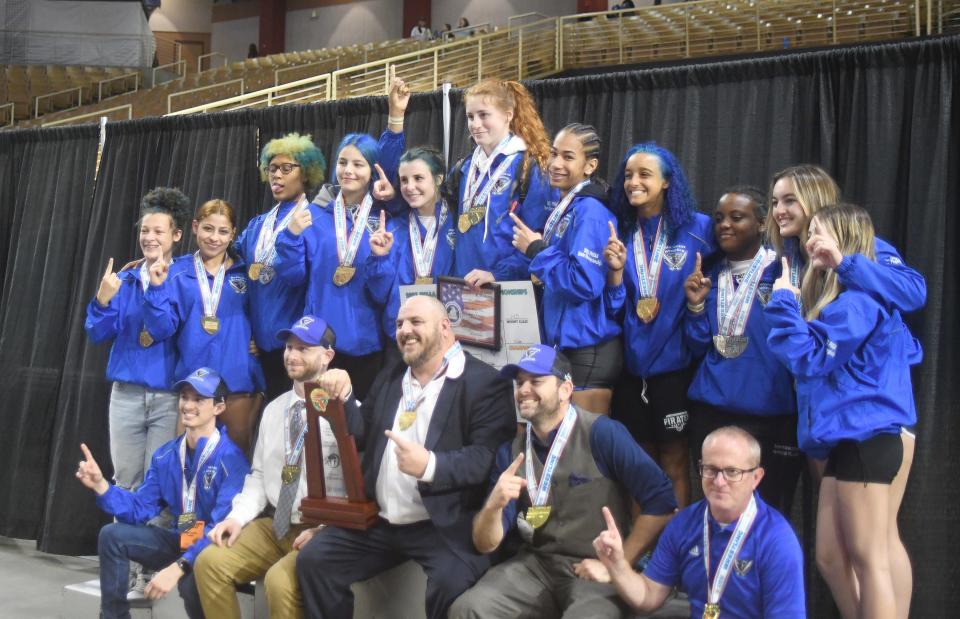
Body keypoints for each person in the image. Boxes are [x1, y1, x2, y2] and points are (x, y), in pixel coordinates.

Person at [767, 164, 925, 618]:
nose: (779, 211)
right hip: (831, 421)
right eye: (775, 201)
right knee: (836, 554)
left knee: (873, 545)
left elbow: (912, 292)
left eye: (790, 200)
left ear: (818, 203)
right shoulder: (793, 262)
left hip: (871, 418)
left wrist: (844, 262)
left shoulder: (863, 253)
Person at [296, 295, 517, 619]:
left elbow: (485, 458)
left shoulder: (484, 382)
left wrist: (429, 465)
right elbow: (361, 433)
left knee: (450, 582)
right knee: (315, 560)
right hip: (380, 521)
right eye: (400, 324)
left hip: (440, 526)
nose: (405, 330)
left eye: (415, 322)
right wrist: (345, 395)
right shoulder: (393, 374)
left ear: (445, 327)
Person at [449, 345, 676, 619]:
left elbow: (661, 501)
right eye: (519, 383)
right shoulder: (510, 452)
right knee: (468, 609)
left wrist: (618, 565)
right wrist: (492, 508)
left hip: (593, 566)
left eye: (536, 381)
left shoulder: (603, 434)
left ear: (565, 390)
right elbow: (486, 544)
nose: (523, 390)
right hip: (535, 565)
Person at [195, 315, 342, 619]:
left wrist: (328, 529)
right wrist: (236, 518)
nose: (292, 355)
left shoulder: (344, 413)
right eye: (289, 347)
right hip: (277, 524)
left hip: (319, 529)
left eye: (304, 348)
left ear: (327, 356)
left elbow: (354, 487)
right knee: (209, 562)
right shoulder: (275, 410)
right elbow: (259, 476)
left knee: (279, 582)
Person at [273, 73, 408, 400]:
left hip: (364, 344)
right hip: (317, 343)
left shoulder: (383, 221)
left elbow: (381, 292)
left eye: (359, 165)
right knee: (315, 431)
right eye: (343, 163)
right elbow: (292, 277)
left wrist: (379, 257)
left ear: (373, 170)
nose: (349, 171)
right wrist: (289, 237)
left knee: (354, 435)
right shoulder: (314, 216)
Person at [75, 367, 249, 619]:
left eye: (199, 399)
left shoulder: (231, 460)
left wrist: (179, 567)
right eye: (184, 397)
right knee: (112, 536)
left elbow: (217, 528)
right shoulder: (167, 455)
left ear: (219, 408)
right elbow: (138, 509)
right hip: (181, 540)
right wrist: (102, 485)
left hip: (213, 549)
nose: (188, 405)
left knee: (193, 582)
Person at [594, 426, 806, 618]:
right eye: (711, 469)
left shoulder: (777, 540)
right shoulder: (685, 524)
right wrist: (617, 565)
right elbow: (649, 596)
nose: (719, 482)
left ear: (756, 477)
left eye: (732, 472)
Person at [603, 142, 714, 508]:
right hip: (630, 372)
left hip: (674, 371)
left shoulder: (698, 229)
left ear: (667, 182)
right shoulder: (619, 230)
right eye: (629, 175)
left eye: (644, 174)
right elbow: (614, 310)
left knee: (675, 463)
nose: (633, 182)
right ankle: (644, 552)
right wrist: (616, 276)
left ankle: (675, 551)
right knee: (638, 465)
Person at [683, 186, 802, 516]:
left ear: (763, 223)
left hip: (770, 415)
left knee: (769, 512)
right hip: (712, 410)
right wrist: (694, 307)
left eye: (737, 218)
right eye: (719, 218)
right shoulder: (709, 274)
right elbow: (697, 348)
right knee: (715, 508)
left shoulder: (784, 271)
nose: (725, 225)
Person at [85, 186, 191, 490]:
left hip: (168, 398)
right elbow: (97, 333)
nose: (149, 237)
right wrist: (102, 300)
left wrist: (157, 288)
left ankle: (149, 540)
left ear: (177, 236)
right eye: (145, 230)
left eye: (158, 230)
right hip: (126, 396)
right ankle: (123, 539)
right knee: (125, 481)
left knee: (159, 484)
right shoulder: (126, 278)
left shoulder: (186, 279)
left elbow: (161, 329)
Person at [511, 124, 621, 415]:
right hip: (565, 344)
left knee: (583, 449)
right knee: (565, 445)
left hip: (588, 349)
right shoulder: (567, 207)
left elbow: (583, 283)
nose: (556, 164)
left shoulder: (591, 212)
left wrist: (536, 250)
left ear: (590, 166)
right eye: (553, 154)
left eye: (568, 157)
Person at [143, 199, 265, 454]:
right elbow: (162, 327)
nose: (214, 238)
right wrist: (154, 288)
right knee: (187, 465)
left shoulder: (247, 273)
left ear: (233, 234)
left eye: (223, 232)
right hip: (192, 385)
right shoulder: (176, 271)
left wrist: (262, 341)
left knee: (236, 464)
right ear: (195, 227)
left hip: (238, 383)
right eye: (208, 229)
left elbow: (267, 310)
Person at [234, 132, 326, 401]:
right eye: (272, 168)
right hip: (259, 348)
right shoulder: (257, 225)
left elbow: (297, 277)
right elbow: (228, 263)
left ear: (306, 172)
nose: (277, 175)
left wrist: (292, 238)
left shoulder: (315, 221)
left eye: (287, 169)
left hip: (296, 346)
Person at [452, 78, 555, 287]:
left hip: (509, 288)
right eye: (470, 116)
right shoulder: (464, 168)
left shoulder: (528, 167)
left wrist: (498, 274)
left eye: (484, 115)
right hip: (465, 285)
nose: (475, 124)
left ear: (508, 115)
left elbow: (540, 237)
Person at [366, 146, 455, 365]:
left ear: (439, 179)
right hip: (403, 341)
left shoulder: (459, 227)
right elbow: (379, 294)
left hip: (445, 338)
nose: (410, 187)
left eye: (418, 178)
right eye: (404, 180)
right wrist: (380, 258)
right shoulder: (393, 229)